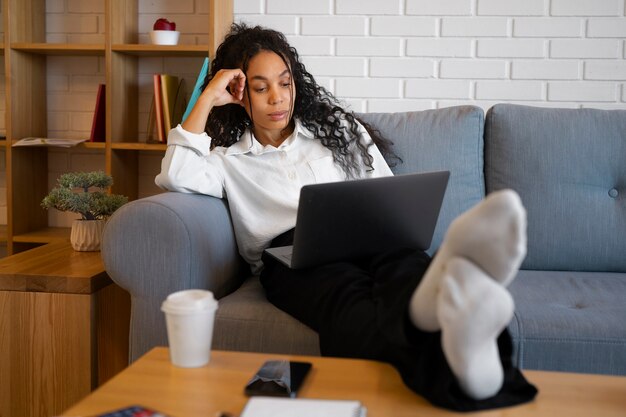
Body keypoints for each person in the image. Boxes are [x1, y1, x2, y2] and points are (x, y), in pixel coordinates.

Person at [155, 23, 537, 411]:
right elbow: (174, 174)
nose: (277, 97)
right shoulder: (227, 162)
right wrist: (207, 97)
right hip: (293, 255)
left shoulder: (335, 130)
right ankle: (472, 371)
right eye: (260, 87)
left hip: (369, 235)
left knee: (408, 269)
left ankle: (435, 306)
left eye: (285, 83)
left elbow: (385, 191)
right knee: (352, 309)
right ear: (238, 94)